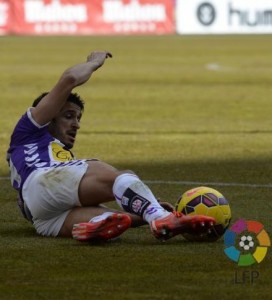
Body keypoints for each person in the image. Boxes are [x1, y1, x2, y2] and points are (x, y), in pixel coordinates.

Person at [6, 51, 215, 242]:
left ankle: (96, 226)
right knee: (117, 175)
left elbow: (54, 195)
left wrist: (141, 213)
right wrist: (95, 62)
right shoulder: (30, 129)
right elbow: (69, 79)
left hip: (40, 216)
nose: (76, 124)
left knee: (112, 217)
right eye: (68, 116)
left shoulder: (53, 155)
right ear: (48, 116)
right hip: (41, 182)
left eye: (78, 118)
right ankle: (161, 218)